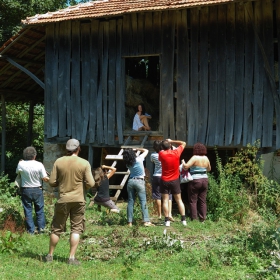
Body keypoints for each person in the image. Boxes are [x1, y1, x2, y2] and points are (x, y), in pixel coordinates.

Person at [45, 139, 95, 265]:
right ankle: (71, 258)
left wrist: (60, 182)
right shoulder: (84, 163)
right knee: (76, 228)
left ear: (67, 149)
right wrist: (82, 184)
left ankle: (50, 255)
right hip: (79, 200)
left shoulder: (59, 161)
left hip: (63, 199)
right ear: (78, 149)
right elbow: (91, 183)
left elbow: (51, 182)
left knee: (56, 228)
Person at [16, 146, 49, 234]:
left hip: (26, 190)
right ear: (35, 156)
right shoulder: (39, 164)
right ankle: (41, 230)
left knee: (28, 210)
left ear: (24, 155)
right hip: (37, 189)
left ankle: (30, 231)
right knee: (40, 210)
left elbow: (17, 172)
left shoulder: (21, 164)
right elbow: (44, 178)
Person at [159, 139, 187, 227]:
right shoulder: (176, 152)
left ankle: (167, 221)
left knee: (165, 200)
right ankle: (183, 219)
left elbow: (161, 156)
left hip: (164, 180)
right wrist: (172, 141)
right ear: (170, 145)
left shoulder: (161, 154)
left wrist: (167, 144)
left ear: (163, 147)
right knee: (179, 200)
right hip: (175, 179)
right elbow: (183, 143)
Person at [123, 147, 154, 227]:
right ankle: (146, 221)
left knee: (130, 202)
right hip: (139, 181)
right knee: (143, 201)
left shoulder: (127, 163)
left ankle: (129, 222)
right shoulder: (139, 159)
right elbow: (146, 150)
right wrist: (137, 149)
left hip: (130, 181)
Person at [182, 143, 211, 222]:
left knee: (193, 200)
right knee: (202, 200)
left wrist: (183, 162)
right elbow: (209, 169)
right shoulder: (206, 158)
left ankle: (194, 218)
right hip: (204, 179)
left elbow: (186, 166)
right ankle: (203, 218)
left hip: (195, 180)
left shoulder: (194, 157)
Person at [150, 140, 174, 221]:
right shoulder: (165, 154)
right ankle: (169, 214)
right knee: (169, 195)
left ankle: (159, 215)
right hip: (165, 176)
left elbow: (152, 162)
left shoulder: (153, 155)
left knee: (157, 196)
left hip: (156, 176)